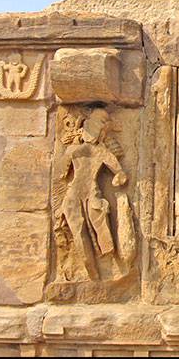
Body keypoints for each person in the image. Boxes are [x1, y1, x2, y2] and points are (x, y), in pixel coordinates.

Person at [55, 108, 127, 281]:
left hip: (80, 193)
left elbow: (61, 173)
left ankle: (95, 270)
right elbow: (121, 175)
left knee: (93, 232)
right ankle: (94, 272)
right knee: (86, 231)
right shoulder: (95, 151)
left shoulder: (77, 150)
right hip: (84, 194)